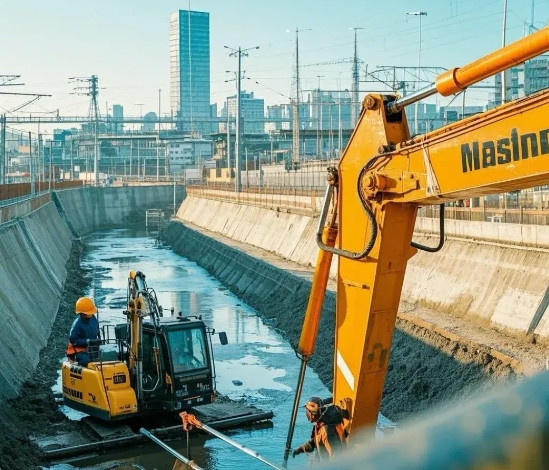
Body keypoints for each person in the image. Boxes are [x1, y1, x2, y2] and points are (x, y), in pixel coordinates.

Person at [292, 396, 348, 462]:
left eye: (307, 411)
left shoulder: (326, 430)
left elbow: (337, 457)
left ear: (311, 413)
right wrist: (300, 449)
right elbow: (316, 441)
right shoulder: (322, 423)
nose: (306, 414)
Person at [66, 297, 101, 367]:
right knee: (86, 361)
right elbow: (73, 340)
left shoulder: (93, 318)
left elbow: (97, 329)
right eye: (90, 312)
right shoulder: (77, 325)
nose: (92, 313)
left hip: (91, 347)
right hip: (79, 350)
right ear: (83, 314)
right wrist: (86, 341)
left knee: (106, 356)